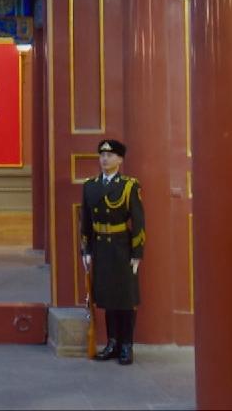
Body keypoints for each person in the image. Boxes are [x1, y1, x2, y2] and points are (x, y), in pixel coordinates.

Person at [80, 138, 145, 365]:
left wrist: (137, 253)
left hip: (121, 247)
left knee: (124, 298)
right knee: (108, 297)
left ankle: (126, 345)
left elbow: (138, 221)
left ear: (119, 159)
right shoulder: (90, 185)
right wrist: (86, 249)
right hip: (101, 247)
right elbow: (86, 221)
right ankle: (112, 343)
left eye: (109, 155)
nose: (104, 159)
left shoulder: (129, 186)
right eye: (102, 155)